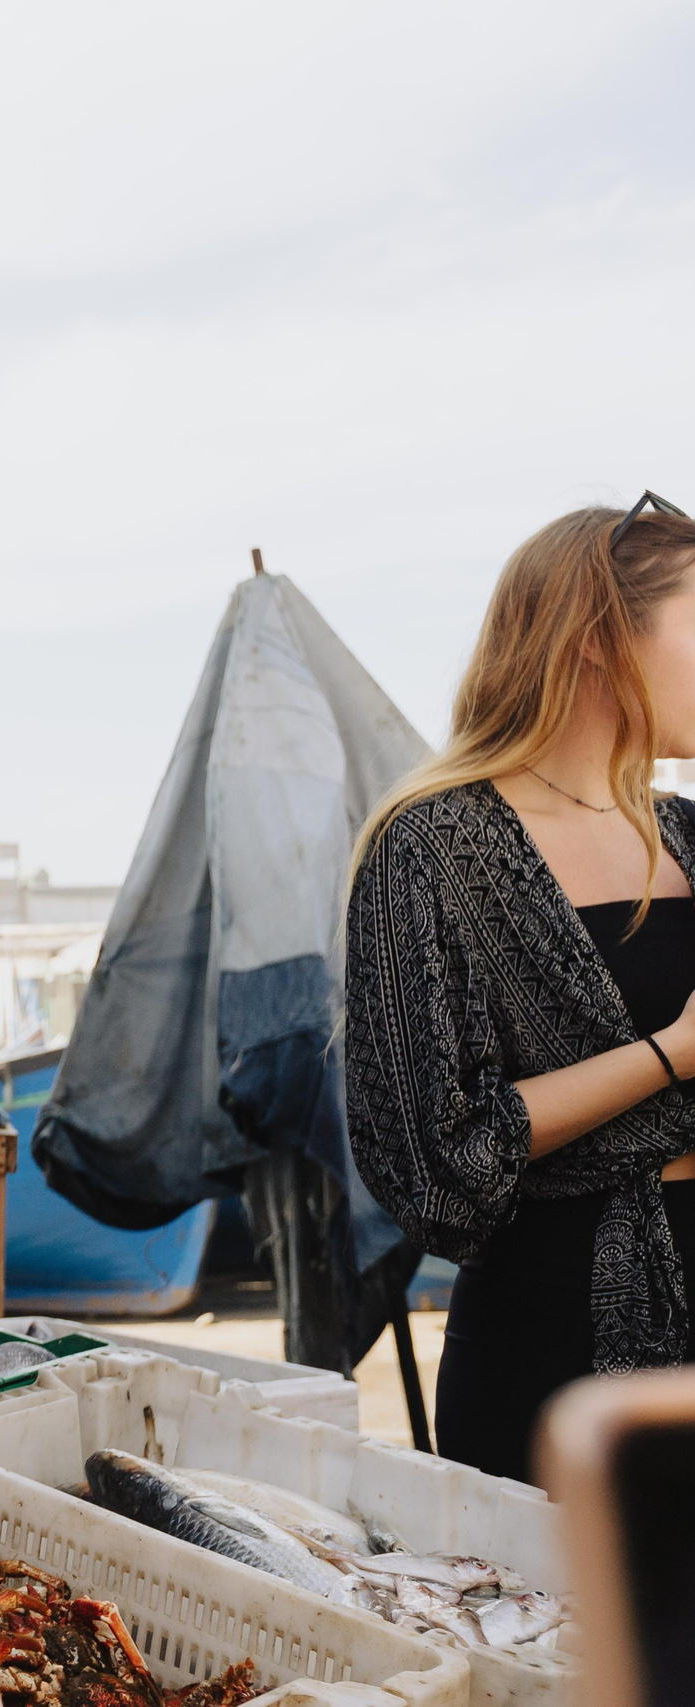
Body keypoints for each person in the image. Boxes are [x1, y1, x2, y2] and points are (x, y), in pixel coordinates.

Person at [347, 496, 695, 1482]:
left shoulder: (689, 836)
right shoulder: (435, 848)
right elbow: (437, 1155)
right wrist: (670, 1054)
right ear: (598, 639)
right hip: (549, 1336)